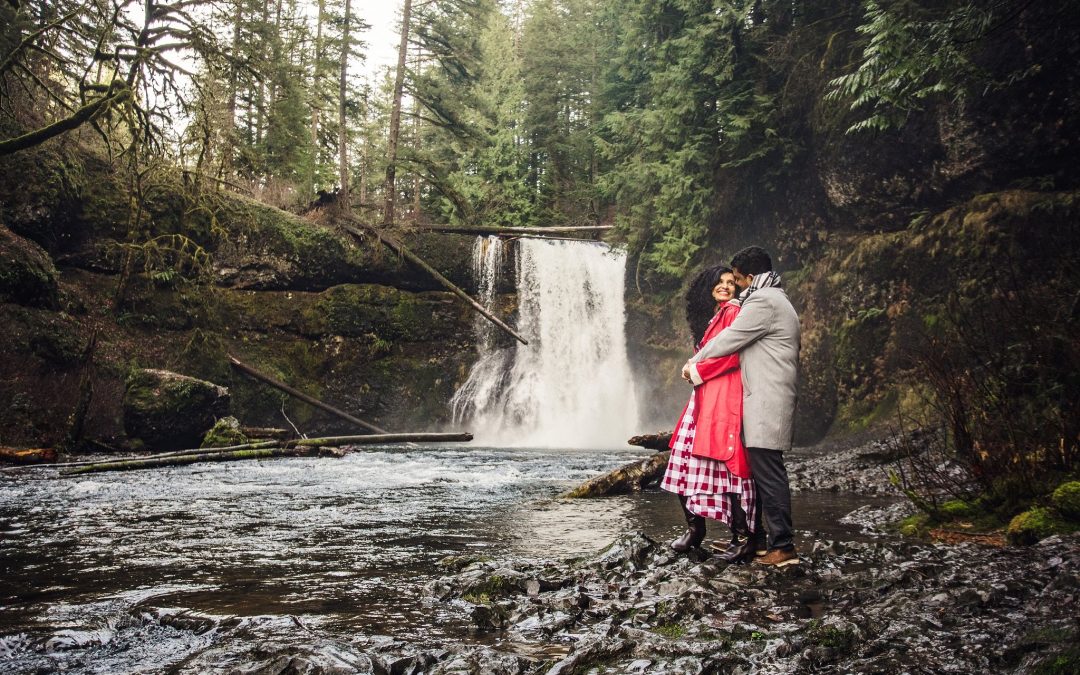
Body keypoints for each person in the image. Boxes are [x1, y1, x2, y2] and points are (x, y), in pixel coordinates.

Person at [682, 246, 801, 567]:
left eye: (736, 279)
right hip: (766, 399)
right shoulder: (777, 298)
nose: (735, 285)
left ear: (750, 276)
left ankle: (783, 546)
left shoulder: (763, 300)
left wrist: (696, 360)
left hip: (766, 400)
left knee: (769, 475)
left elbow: (733, 338)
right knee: (763, 474)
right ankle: (763, 542)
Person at [661, 265, 759, 563]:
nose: (727, 286)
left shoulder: (732, 312)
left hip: (722, 395)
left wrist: (698, 371)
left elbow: (733, 354)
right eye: (720, 282)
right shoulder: (714, 316)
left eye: (731, 282)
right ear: (708, 285)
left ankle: (739, 536)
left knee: (724, 465)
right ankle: (697, 529)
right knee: (685, 458)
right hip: (706, 395)